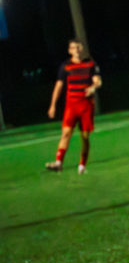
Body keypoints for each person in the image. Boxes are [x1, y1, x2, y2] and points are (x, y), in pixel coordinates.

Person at [45, 39, 101, 174]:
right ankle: (58, 163)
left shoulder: (90, 64)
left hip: (86, 106)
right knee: (65, 133)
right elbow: (59, 86)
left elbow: (97, 81)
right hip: (71, 106)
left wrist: (92, 88)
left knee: (85, 137)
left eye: (78, 47)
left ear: (82, 49)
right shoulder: (65, 66)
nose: (76, 50)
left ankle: (82, 165)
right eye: (73, 48)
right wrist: (53, 105)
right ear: (69, 51)